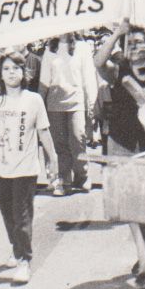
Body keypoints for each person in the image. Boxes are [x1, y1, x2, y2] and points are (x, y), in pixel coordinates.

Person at [0, 52, 58, 285]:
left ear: (24, 72)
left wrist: (53, 158)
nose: (11, 73)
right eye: (6, 69)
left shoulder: (34, 100)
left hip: (25, 169)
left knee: (22, 215)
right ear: (0, 75)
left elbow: (43, 131)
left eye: (16, 68)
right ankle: (16, 248)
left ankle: (24, 260)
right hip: (1, 167)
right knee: (7, 215)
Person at [94, 19, 145, 287]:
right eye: (130, 43)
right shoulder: (118, 69)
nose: (135, 47)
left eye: (140, 42)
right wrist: (117, 33)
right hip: (122, 139)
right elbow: (98, 62)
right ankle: (144, 261)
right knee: (131, 203)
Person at [39, 32, 97, 195]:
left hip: (77, 101)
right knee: (59, 143)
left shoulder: (83, 48)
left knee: (78, 139)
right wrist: (38, 104)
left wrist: (91, 103)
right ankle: (64, 179)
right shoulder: (50, 49)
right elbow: (44, 81)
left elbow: (89, 78)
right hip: (55, 102)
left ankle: (83, 176)